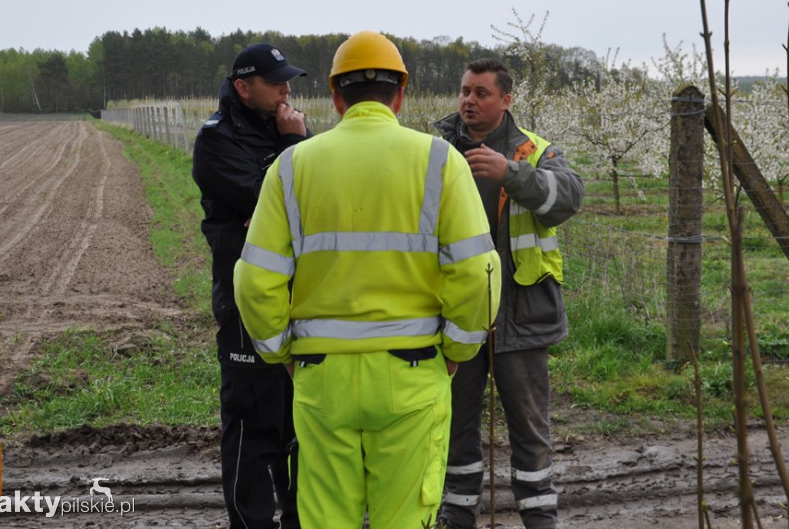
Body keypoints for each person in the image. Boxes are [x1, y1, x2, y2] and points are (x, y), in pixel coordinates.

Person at [233, 31, 501, 529]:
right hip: (413, 374)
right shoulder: (440, 161)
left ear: (335, 97)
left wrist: (281, 354)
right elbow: (477, 271)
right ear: (401, 94)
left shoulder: (292, 167)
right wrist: (457, 351)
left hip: (322, 378)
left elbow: (254, 280)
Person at [434, 58, 584, 529]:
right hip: (457, 315)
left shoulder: (532, 152)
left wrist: (510, 174)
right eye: (464, 91)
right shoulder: (436, 152)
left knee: (530, 432)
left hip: (521, 318)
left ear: (505, 100)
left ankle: (540, 520)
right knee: (455, 427)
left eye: (480, 93)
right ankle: (456, 516)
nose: (468, 101)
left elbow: (569, 197)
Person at [192, 42, 311, 529]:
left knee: (299, 422)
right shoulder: (216, 141)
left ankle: (300, 519)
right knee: (250, 422)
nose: (287, 90)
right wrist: (291, 147)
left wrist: (292, 148)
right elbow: (276, 202)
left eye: (288, 81)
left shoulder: (291, 131)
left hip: (299, 296)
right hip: (245, 302)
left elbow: (307, 202)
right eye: (275, 82)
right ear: (243, 87)